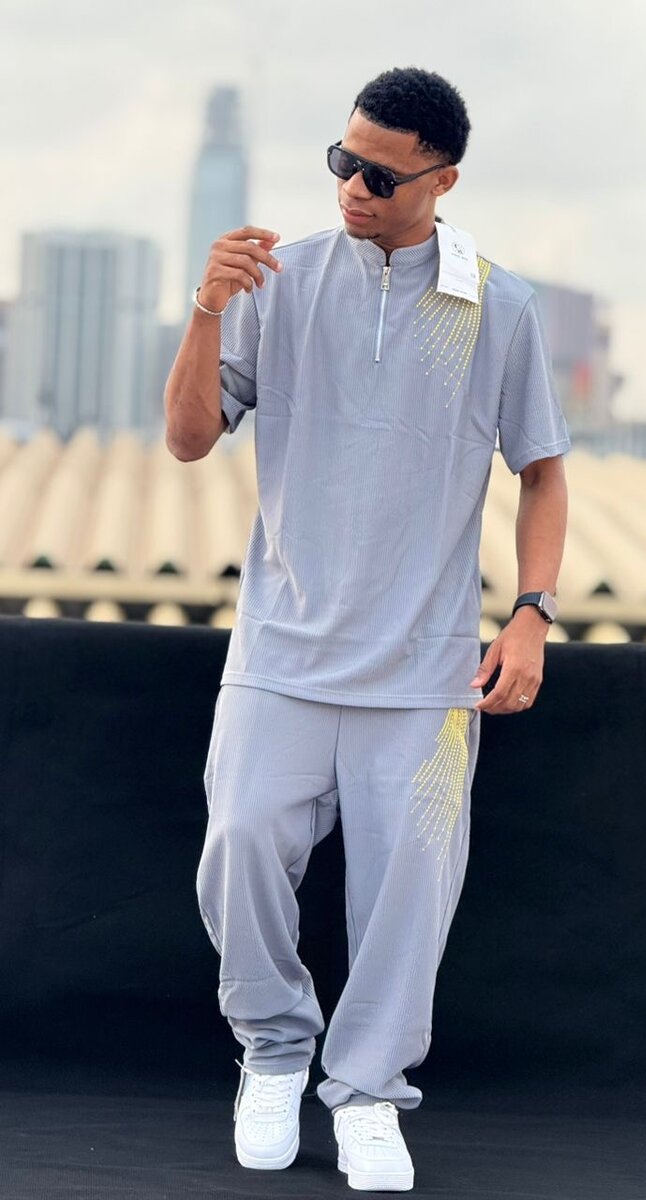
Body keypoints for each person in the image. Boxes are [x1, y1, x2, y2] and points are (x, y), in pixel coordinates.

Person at [164, 65, 571, 1193]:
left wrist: (531, 614)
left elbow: (543, 472)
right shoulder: (279, 281)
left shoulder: (499, 307)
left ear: (442, 181)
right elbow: (190, 439)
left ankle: (370, 1092)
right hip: (280, 653)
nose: (352, 187)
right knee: (238, 848)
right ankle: (272, 1051)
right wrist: (206, 309)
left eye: (380, 176)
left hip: (426, 674)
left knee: (409, 894)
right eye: (343, 161)